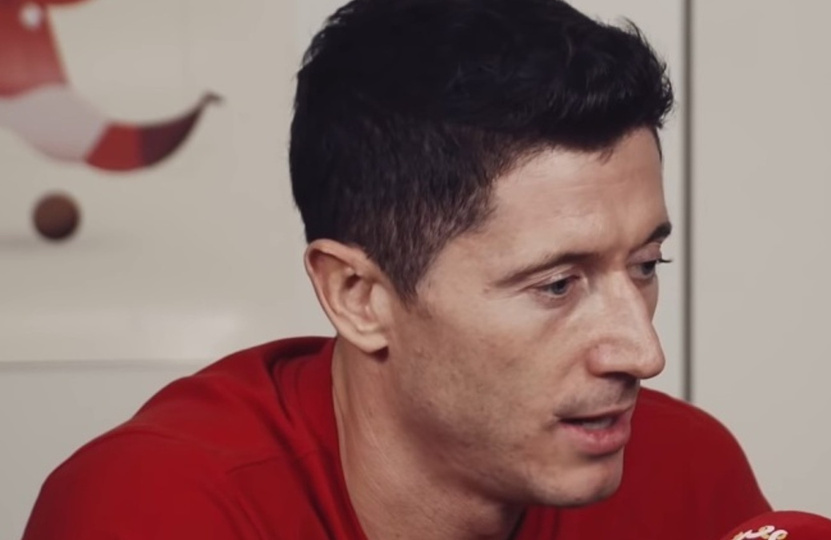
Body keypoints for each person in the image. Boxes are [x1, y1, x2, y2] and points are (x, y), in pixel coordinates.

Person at [22, 0, 771, 538]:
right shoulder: (154, 510)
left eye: (645, 265)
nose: (642, 352)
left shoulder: (687, 471)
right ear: (358, 295)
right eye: (556, 285)